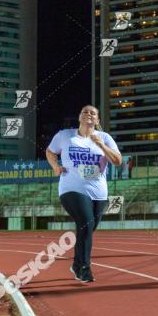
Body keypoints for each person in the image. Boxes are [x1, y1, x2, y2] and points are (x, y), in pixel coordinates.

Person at [46, 105, 121, 283]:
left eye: (93, 113)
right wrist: (55, 166)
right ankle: (84, 269)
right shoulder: (65, 135)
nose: (89, 114)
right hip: (71, 188)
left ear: (97, 120)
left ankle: (76, 264)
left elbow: (117, 161)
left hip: (99, 192)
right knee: (87, 224)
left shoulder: (105, 137)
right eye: (85, 112)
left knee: (87, 228)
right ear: (79, 117)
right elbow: (50, 152)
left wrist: (101, 145)